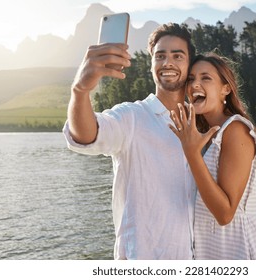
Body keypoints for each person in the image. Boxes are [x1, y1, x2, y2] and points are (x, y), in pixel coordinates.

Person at [62, 23, 197, 259]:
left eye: (178, 56)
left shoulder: (201, 123)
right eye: (160, 56)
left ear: (189, 64)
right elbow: (87, 134)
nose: (168, 63)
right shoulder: (131, 117)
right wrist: (80, 91)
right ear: (151, 64)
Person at [169, 52, 256, 259]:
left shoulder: (235, 130)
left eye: (205, 78)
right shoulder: (205, 135)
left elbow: (225, 214)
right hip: (216, 250)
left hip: (241, 250)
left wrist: (192, 153)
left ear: (225, 89)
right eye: (190, 79)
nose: (194, 85)